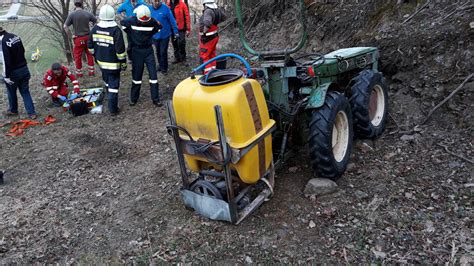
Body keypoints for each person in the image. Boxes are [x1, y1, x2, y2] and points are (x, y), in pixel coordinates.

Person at [88, 4, 127, 116]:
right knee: (114, 87)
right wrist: (123, 63)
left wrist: (96, 55)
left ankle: (108, 93)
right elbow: (120, 51)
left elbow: (90, 46)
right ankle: (113, 109)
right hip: (114, 66)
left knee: (106, 81)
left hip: (101, 63)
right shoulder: (116, 30)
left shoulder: (95, 29)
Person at [121, 5, 163, 106]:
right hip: (136, 52)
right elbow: (123, 23)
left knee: (153, 76)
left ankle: (155, 99)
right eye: (142, 20)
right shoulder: (131, 21)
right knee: (136, 77)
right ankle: (134, 99)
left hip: (148, 51)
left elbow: (159, 27)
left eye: (147, 20)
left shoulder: (152, 21)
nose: (144, 22)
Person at [0, 27, 37, 119]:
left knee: (11, 91)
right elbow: (23, 50)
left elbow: (5, 60)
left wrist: (6, 76)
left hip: (13, 72)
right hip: (24, 68)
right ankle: (32, 113)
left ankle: (13, 110)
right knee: (25, 92)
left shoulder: (3, 42)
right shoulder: (15, 36)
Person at [64, 0, 97, 77]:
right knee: (89, 54)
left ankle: (79, 74)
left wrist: (71, 35)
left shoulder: (72, 15)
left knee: (77, 56)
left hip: (78, 39)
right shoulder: (87, 13)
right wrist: (92, 30)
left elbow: (65, 26)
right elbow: (96, 21)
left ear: (75, 5)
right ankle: (91, 72)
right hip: (88, 37)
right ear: (82, 4)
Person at [150, 0, 178, 74]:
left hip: (165, 35)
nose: (157, 2)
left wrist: (175, 31)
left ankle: (164, 68)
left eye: (158, 1)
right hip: (155, 35)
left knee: (163, 52)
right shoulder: (149, 9)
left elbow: (172, 20)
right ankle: (160, 65)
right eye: (155, 1)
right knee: (158, 51)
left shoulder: (165, 8)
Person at [199, 0, 226, 74]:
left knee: (205, 56)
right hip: (214, 37)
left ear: (205, 4)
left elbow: (207, 23)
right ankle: (213, 72)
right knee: (212, 55)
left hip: (207, 38)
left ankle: (207, 75)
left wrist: (204, 32)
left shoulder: (208, 11)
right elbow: (224, 18)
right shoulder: (217, 10)